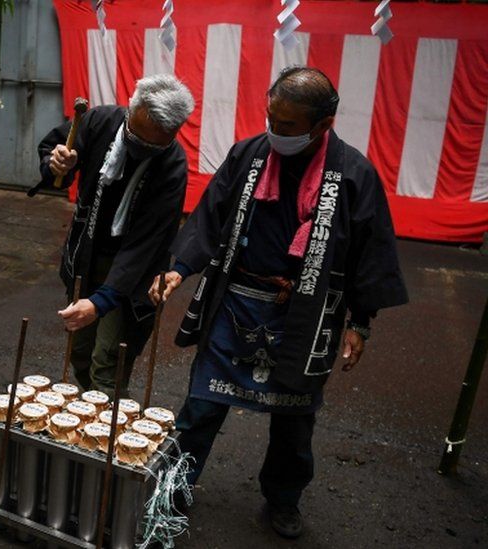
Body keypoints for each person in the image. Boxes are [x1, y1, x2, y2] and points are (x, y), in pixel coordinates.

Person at [149, 66, 408, 538]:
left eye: (287, 125)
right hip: (237, 303)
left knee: (294, 421)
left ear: (322, 125)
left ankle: (283, 499)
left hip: (305, 315)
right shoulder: (249, 154)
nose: (274, 130)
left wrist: (360, 323)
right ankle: (173, 488)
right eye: (270, 117)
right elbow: (211, 214)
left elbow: (370, 252)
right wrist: (178, 268)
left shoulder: (354, 174)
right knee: (202, 406)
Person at [31, 74, 194, 397]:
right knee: (79, 352)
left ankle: (107, 427)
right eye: (135, 137)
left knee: (108, 363)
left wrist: (102, 301)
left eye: (152, 145)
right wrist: (57, 162)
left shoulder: (172, 165)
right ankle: (94, 416)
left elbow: (145, 245)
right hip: (87, 253)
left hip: (132, 273)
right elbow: (55, 150)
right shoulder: (101, 121)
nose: (139, 149)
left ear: (172, 134)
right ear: (130, 112)